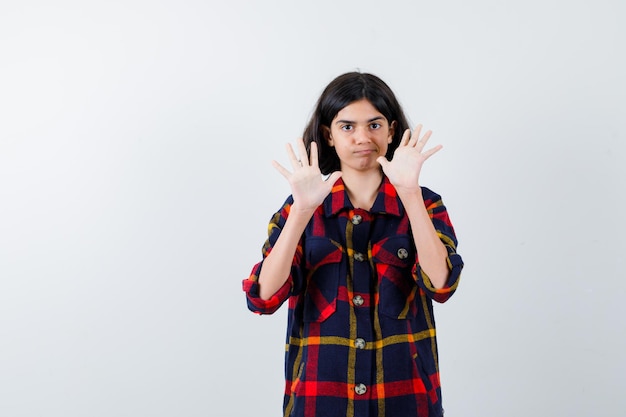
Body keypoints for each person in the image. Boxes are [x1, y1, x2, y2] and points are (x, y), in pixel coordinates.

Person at [242, 72, 464, 417]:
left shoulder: (425, 204)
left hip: (405, 400)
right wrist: (302, 211)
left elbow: (441, 284)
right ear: (329, 135)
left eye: (374, 125)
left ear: (391, 131)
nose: (362, 137)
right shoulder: (300, 207)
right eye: (347, 127)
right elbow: (262, 297)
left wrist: (409, 192)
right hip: (319, 400)